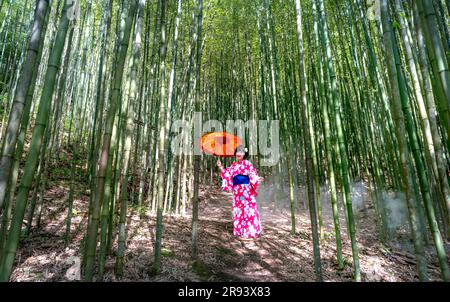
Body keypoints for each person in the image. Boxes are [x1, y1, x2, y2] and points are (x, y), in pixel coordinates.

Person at [217, 145, 264, 239]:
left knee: (248, 210)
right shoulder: (233, 165)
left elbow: (252, 174)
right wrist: (220, 166)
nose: (239, 154)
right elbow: (227, 174)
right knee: (238, 210)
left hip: (246, 191)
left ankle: (250, 231)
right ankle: (240, 231)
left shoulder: (247, 163)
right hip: (237, 192)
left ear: (244, 154)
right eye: (238, 152)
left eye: (241, 152)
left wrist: (257, 179)